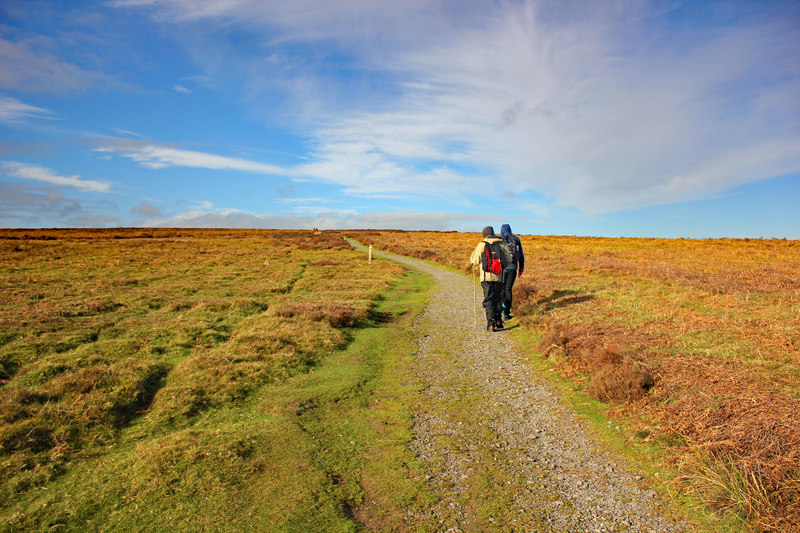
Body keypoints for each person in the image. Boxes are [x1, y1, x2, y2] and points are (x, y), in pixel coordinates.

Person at [470, 226, 512, 332]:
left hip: (486, 277)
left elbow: (474, 261)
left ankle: (490, 323)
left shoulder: (482, 245)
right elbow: (509, 260)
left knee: (489, 299)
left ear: (485, 234)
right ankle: (498, 321)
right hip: (499, 277)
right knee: (498, 298)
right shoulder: (502, 244)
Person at [500, 223, 524, 320]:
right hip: (513, 268)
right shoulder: (516, 240)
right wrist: (521, 269)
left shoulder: (499, 240)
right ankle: (507, 313)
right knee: (508, 289)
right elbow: (521, 256)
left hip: (502, 269)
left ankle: (501, 309)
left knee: (501, 289)